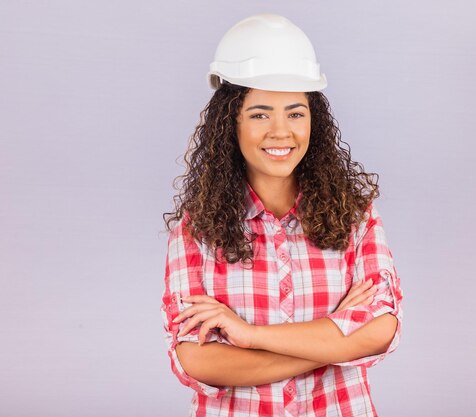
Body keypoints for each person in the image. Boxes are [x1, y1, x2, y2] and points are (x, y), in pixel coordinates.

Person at [161, 14, 404, 417]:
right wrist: (334, 343)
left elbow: (381, 329)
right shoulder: (196, 231)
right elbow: (198, 361)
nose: (281, 131)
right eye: (259, 114)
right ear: (230, 124)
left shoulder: (355, 217)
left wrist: (249, 336)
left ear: (314, 121)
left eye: (295, 113)